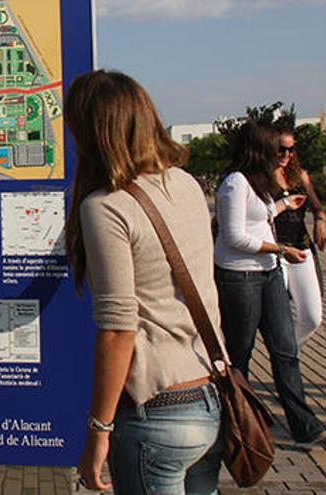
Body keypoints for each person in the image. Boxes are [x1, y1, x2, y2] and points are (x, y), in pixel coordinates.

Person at [67, 71, 225, 493]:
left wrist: (98, 430)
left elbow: (119, 329)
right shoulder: (187, 185)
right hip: (209, 397)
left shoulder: (107, 207)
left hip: (155, 413)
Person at [215, 121, 326, 445]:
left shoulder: (259, 183)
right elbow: (233, 236)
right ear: (258, 149)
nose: (281, 155)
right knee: (240, 352)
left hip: (269, 272)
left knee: (285, 349)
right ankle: (237, 424)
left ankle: (304, 425)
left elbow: (258, 219)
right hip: (241, 276)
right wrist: (280, 249)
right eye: (275, 148)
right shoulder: (235, 183)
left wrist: (281, 207)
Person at [273, 128, 325, 344]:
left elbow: (316, 207)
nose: (286, 154)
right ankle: (285, 363)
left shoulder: (300, 176)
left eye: (291, 149)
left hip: (301, 249)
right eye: (281, 149)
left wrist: (320, 221)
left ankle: (289, 354)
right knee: (278, 317)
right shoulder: (261, 177)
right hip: (277, 252)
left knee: (312, 317)